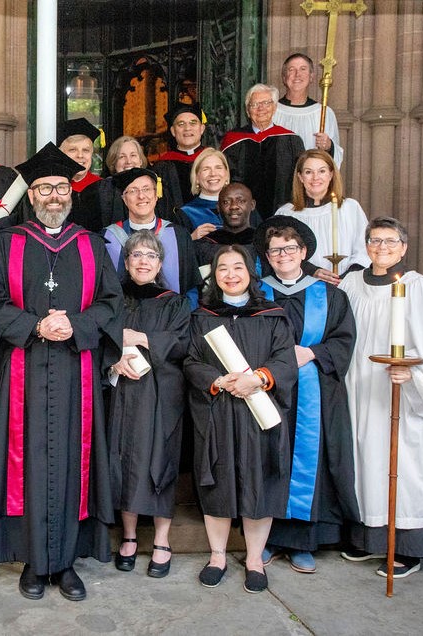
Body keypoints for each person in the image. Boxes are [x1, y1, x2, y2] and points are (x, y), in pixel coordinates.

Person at [0, 142, 123, 602]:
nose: (54, 196)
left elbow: (111, 303)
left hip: (77, 368)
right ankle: (33, 563)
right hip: (24, 367)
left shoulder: (91, 244)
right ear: (31, 194)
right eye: (44, 188)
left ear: (71, 193)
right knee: (26, 461)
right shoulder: (6, 243)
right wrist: (35, 325)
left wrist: (75, 324)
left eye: (61, 187)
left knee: (74, 462)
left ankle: (66, 562)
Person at [339, 217, 423, 578]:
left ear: (404, 248)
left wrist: (415, 374)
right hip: (360, 388)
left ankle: (409, 547)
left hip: (403, 393)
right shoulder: (351, 284)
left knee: (405, 465)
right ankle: (370, 538)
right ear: (366, 246)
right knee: (365, 461)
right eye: (375, 240)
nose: (382, 247)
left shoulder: (419, 288)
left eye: (391, 241)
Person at [183, 245, 296, 594]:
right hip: (217, 413)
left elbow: (285, 360)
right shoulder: (202, 317)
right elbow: (190, 361)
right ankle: (217, 556)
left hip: (258, 411)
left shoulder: (272, 315)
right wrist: (216, 381)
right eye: (222, 269)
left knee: (259, 481)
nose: (230, 275)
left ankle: (254, 560)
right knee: (217, 482)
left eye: (238, 267)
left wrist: (259, 378)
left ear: (250, 272)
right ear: (213, 276)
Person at [255, 217, 359, 574]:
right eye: (275, 250)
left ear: (303, 253)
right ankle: (266, 537)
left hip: (313, 390)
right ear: (267, 256)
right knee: (268, 459)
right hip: (266, 388)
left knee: (307, 461)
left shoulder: (330, 295)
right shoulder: (257, 294)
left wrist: (312, 353)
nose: (282, 255)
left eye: (289, 248)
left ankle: (302, 542)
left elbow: (343, 340)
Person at [108, 230, 191, 579]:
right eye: (136, 255)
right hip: (120, 393)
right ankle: (128, 536)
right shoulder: (112, 299)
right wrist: (113, 363)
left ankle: (161, 540)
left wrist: (140, 337)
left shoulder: (174, 302)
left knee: (160, 460)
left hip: (161, 395)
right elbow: (98, 340)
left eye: (151, 255)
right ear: (126, 262)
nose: (143, 261)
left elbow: (183, 343)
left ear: (160, 264)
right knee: (122, 460)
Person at [102, 167, 200, 305]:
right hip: (122, 315)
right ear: (124, 199)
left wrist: (183, 314)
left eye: (146, 189)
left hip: (172, 314)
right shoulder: (108, 238)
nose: (141, 196)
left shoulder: (179, 235)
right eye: (133, 191)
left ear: (156, 195)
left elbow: (191, 288)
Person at [275, 149, 369, 285]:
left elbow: (363, 249)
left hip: (347, 284)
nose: (315, 178)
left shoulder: (350, 208)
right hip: (304, 285)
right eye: (308, 172)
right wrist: (312, 271)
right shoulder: (286, 214)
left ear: (331, 174)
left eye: (322, 171)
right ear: (300, 177)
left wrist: (345, 278)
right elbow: (280, 253)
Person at [221, 84, 306, 219]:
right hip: (241, 216)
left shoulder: (291, 140)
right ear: (247, 110)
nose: (261, 108)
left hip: (283, 211)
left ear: (274, 107)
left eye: (266, 103)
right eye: (254, 104)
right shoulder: (233, 141)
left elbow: (301, 178)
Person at [273, 53, 343, 166]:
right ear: (284, 77)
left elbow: (336, 158)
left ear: (311, 77)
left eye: (303, 69)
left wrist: (329, 146)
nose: (297, 74)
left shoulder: (323, 113)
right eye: (291, 70)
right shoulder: (272, 111)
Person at [99, 135, 172, 225]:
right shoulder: (105, 189)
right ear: (114, 163)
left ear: (140, 160)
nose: (128, 161)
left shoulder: (155, 186)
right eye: (122, 157)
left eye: (133, 155)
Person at [151, 103, 209, 211]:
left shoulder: (214, 160)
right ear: (173, 131)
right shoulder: (162, 167)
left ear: (202, 129)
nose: (187, 128)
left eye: (193, 123)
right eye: (181, 124)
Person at [194, 182, 262, 273]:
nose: (234, 206)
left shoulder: (263, 243)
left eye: (241, 201)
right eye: (226, 202)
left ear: (252, 205)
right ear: (218, 207)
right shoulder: (204, 245)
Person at [58, 118, 106, 232]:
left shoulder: (105, 188)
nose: (80, 155)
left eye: (86, 150)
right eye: (73, 150)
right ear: (61, 154)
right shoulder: (51, 190)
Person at [175, 148, 231, 240]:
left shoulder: (243, 208)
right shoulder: (186, 213)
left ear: (226, 174)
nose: (213, 174)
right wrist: (191, 238)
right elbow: (176, 247)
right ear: (197, 177)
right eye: (206, 169)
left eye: (218, 168)